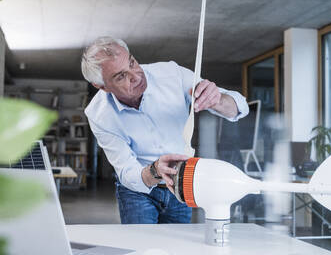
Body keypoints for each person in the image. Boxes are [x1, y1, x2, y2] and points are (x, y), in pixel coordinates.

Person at [81, 36, 249, 224]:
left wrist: (217, 99)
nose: (136, 76)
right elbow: (127, 171)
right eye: (121, 76)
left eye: (132, 62)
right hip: (137, 191)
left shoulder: (172, 74)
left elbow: (240, 106)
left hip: (180, 183)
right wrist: (154, 171)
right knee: (142, 248)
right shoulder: (99, 114)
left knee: (177, 247)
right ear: (102, 86)